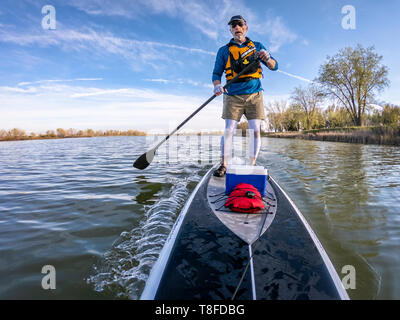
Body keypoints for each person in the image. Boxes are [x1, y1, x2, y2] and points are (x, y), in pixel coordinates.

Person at [212, 15, 278, 177]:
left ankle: (251, 165)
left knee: (255, 131)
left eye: (239, 24)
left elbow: (274, 66)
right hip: (232, 95)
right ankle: (224, 165)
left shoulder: (257, 46)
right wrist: (217, 85)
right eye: (233, 25)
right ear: (230, 30)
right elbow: (216, 73)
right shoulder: (224, 50)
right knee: (229, 130)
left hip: (254, 95)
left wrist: (267, 58)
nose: (237, 27)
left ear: (245, 28)